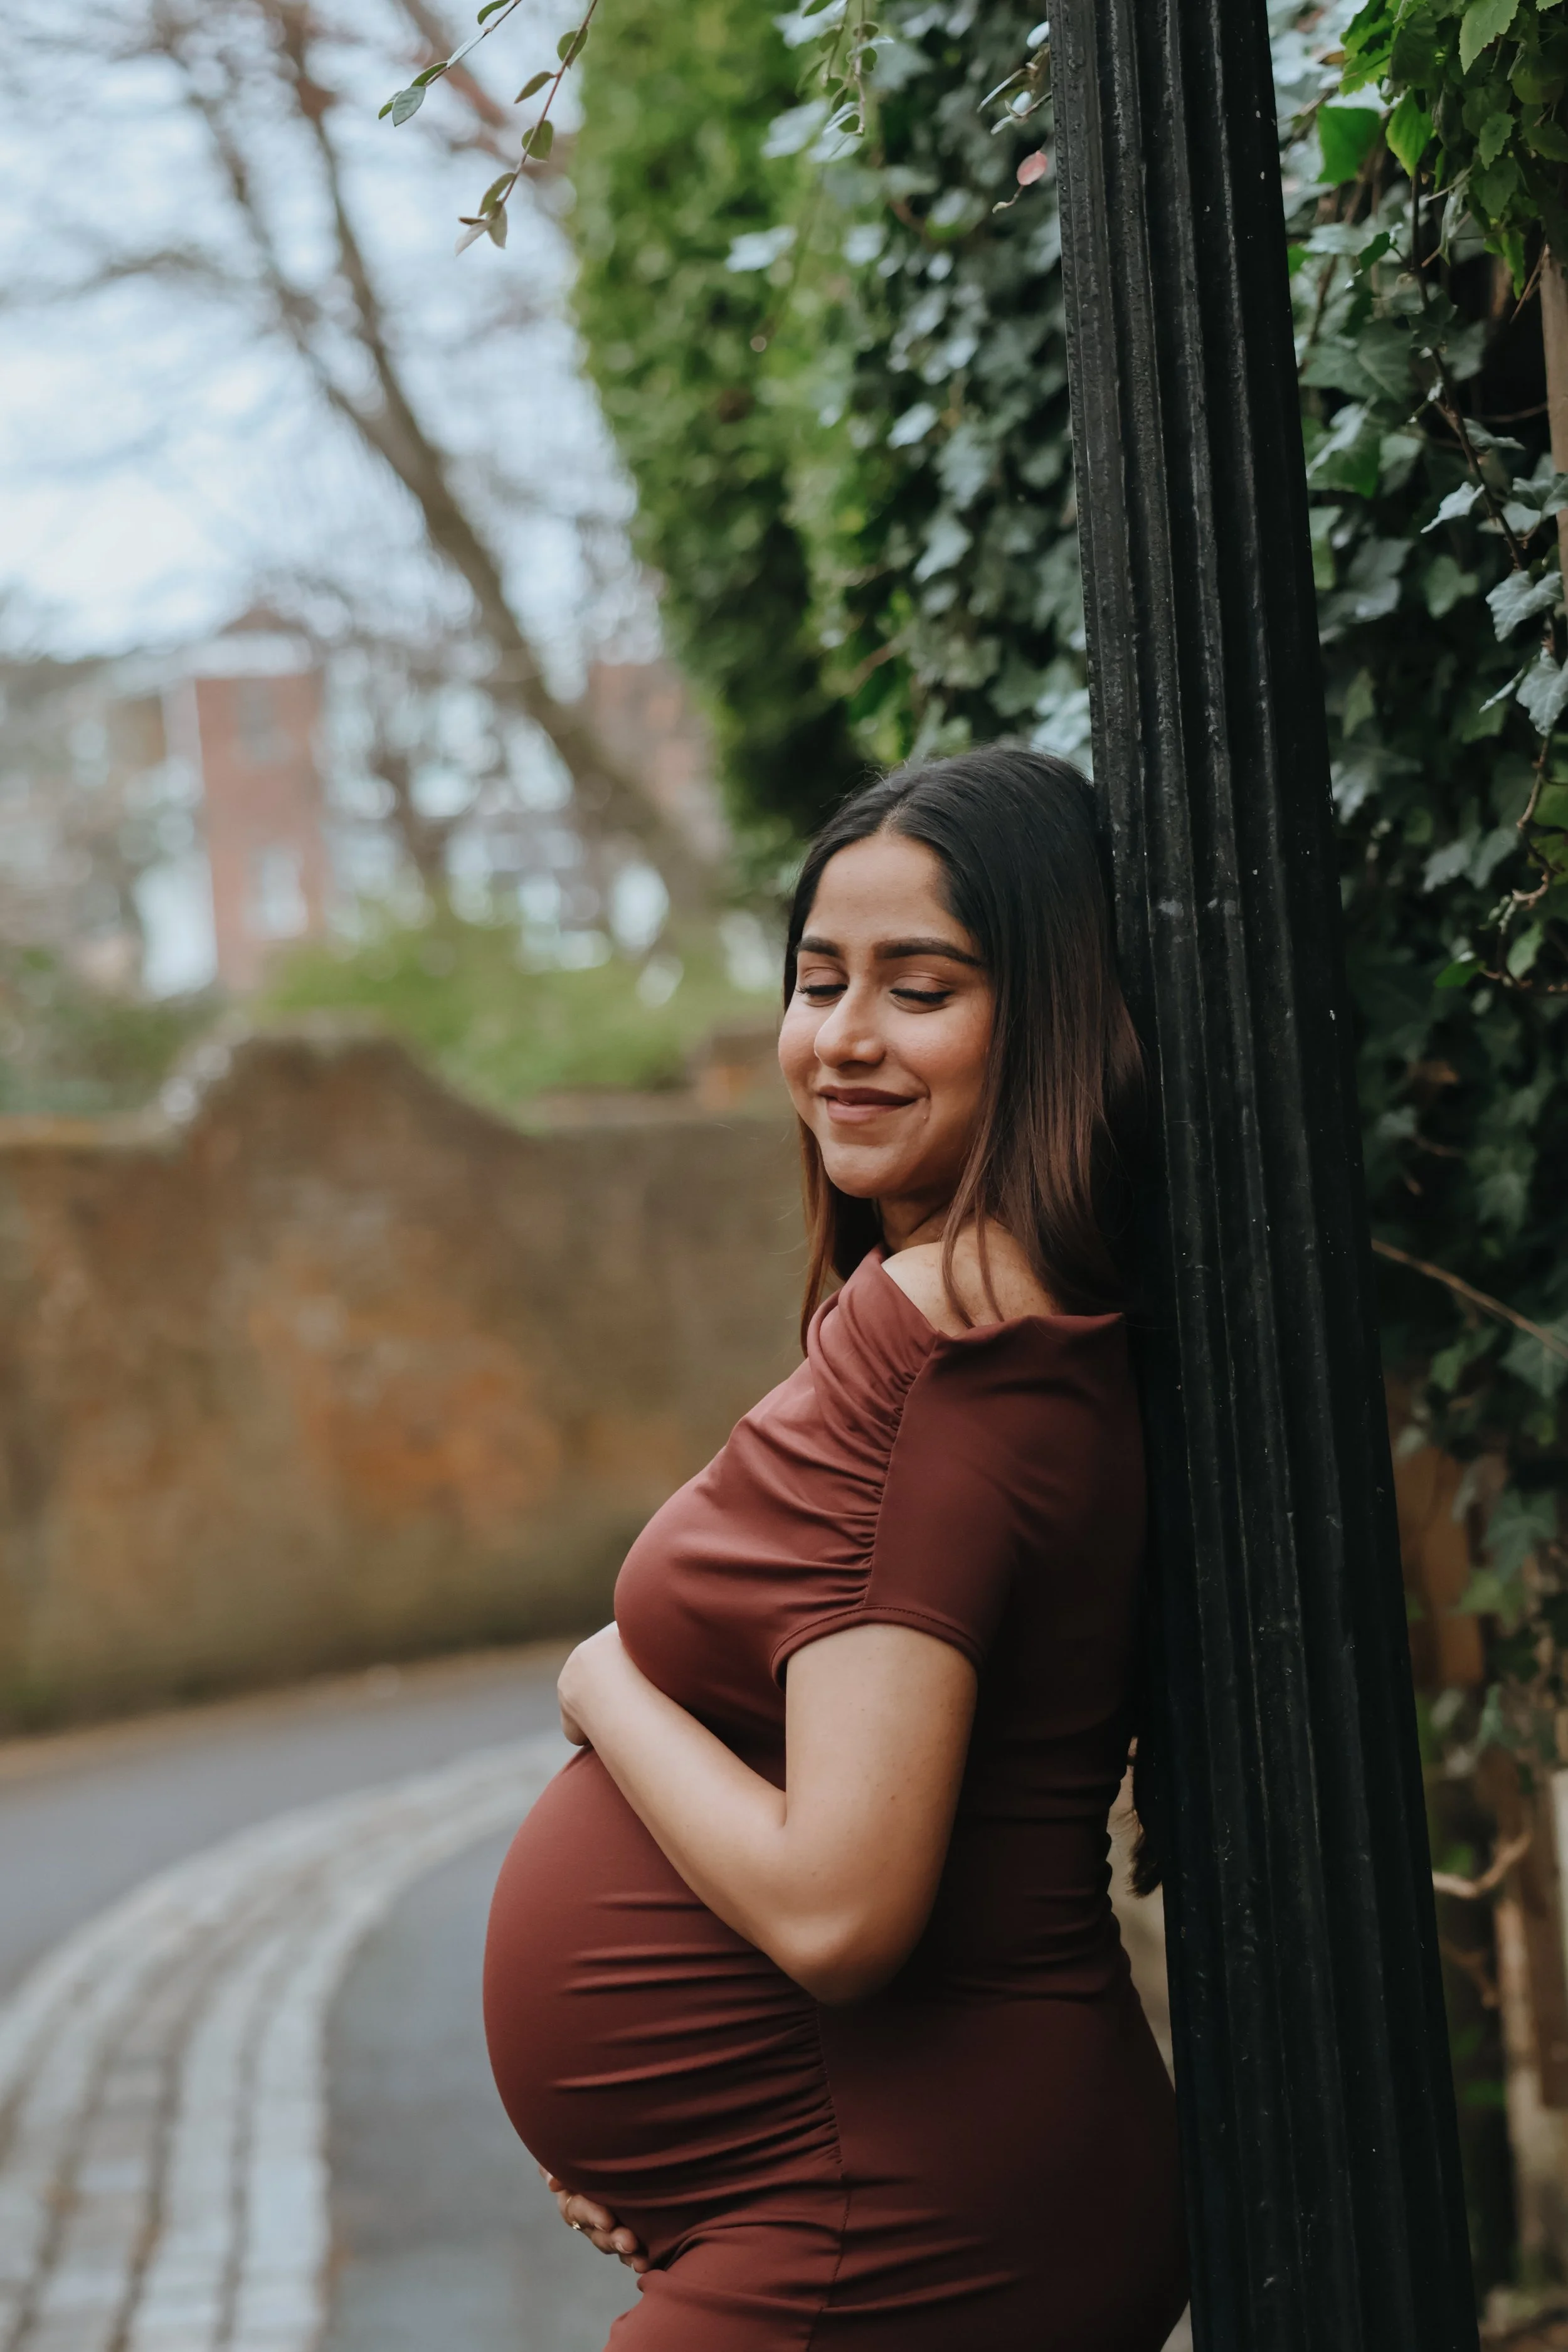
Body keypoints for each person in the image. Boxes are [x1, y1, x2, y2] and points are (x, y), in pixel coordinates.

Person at [483, 746, 1188, 2349]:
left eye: (918, 987)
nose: (841, 1039)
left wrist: (606, 1689)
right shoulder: (979, 1321)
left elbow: (837, 1910)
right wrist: (680, 2152)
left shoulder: (944, 1347)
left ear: (1050, 1015)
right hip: (850, 2181)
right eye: (817, 982)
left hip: (900, 2208)